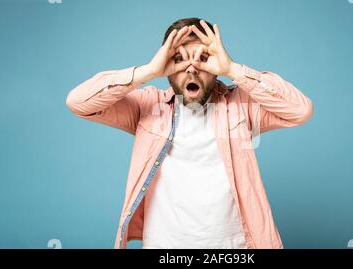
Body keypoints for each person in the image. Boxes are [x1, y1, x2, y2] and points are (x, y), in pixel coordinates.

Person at [66, 17, 314, 249]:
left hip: (234, 247)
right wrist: (148, 70)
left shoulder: (242, 107)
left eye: (203, 58)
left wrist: (233, 69)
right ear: (167, 66)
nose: (192, 69)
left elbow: (299, 110)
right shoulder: (147, 107)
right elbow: (78, 101)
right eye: (180, 60)